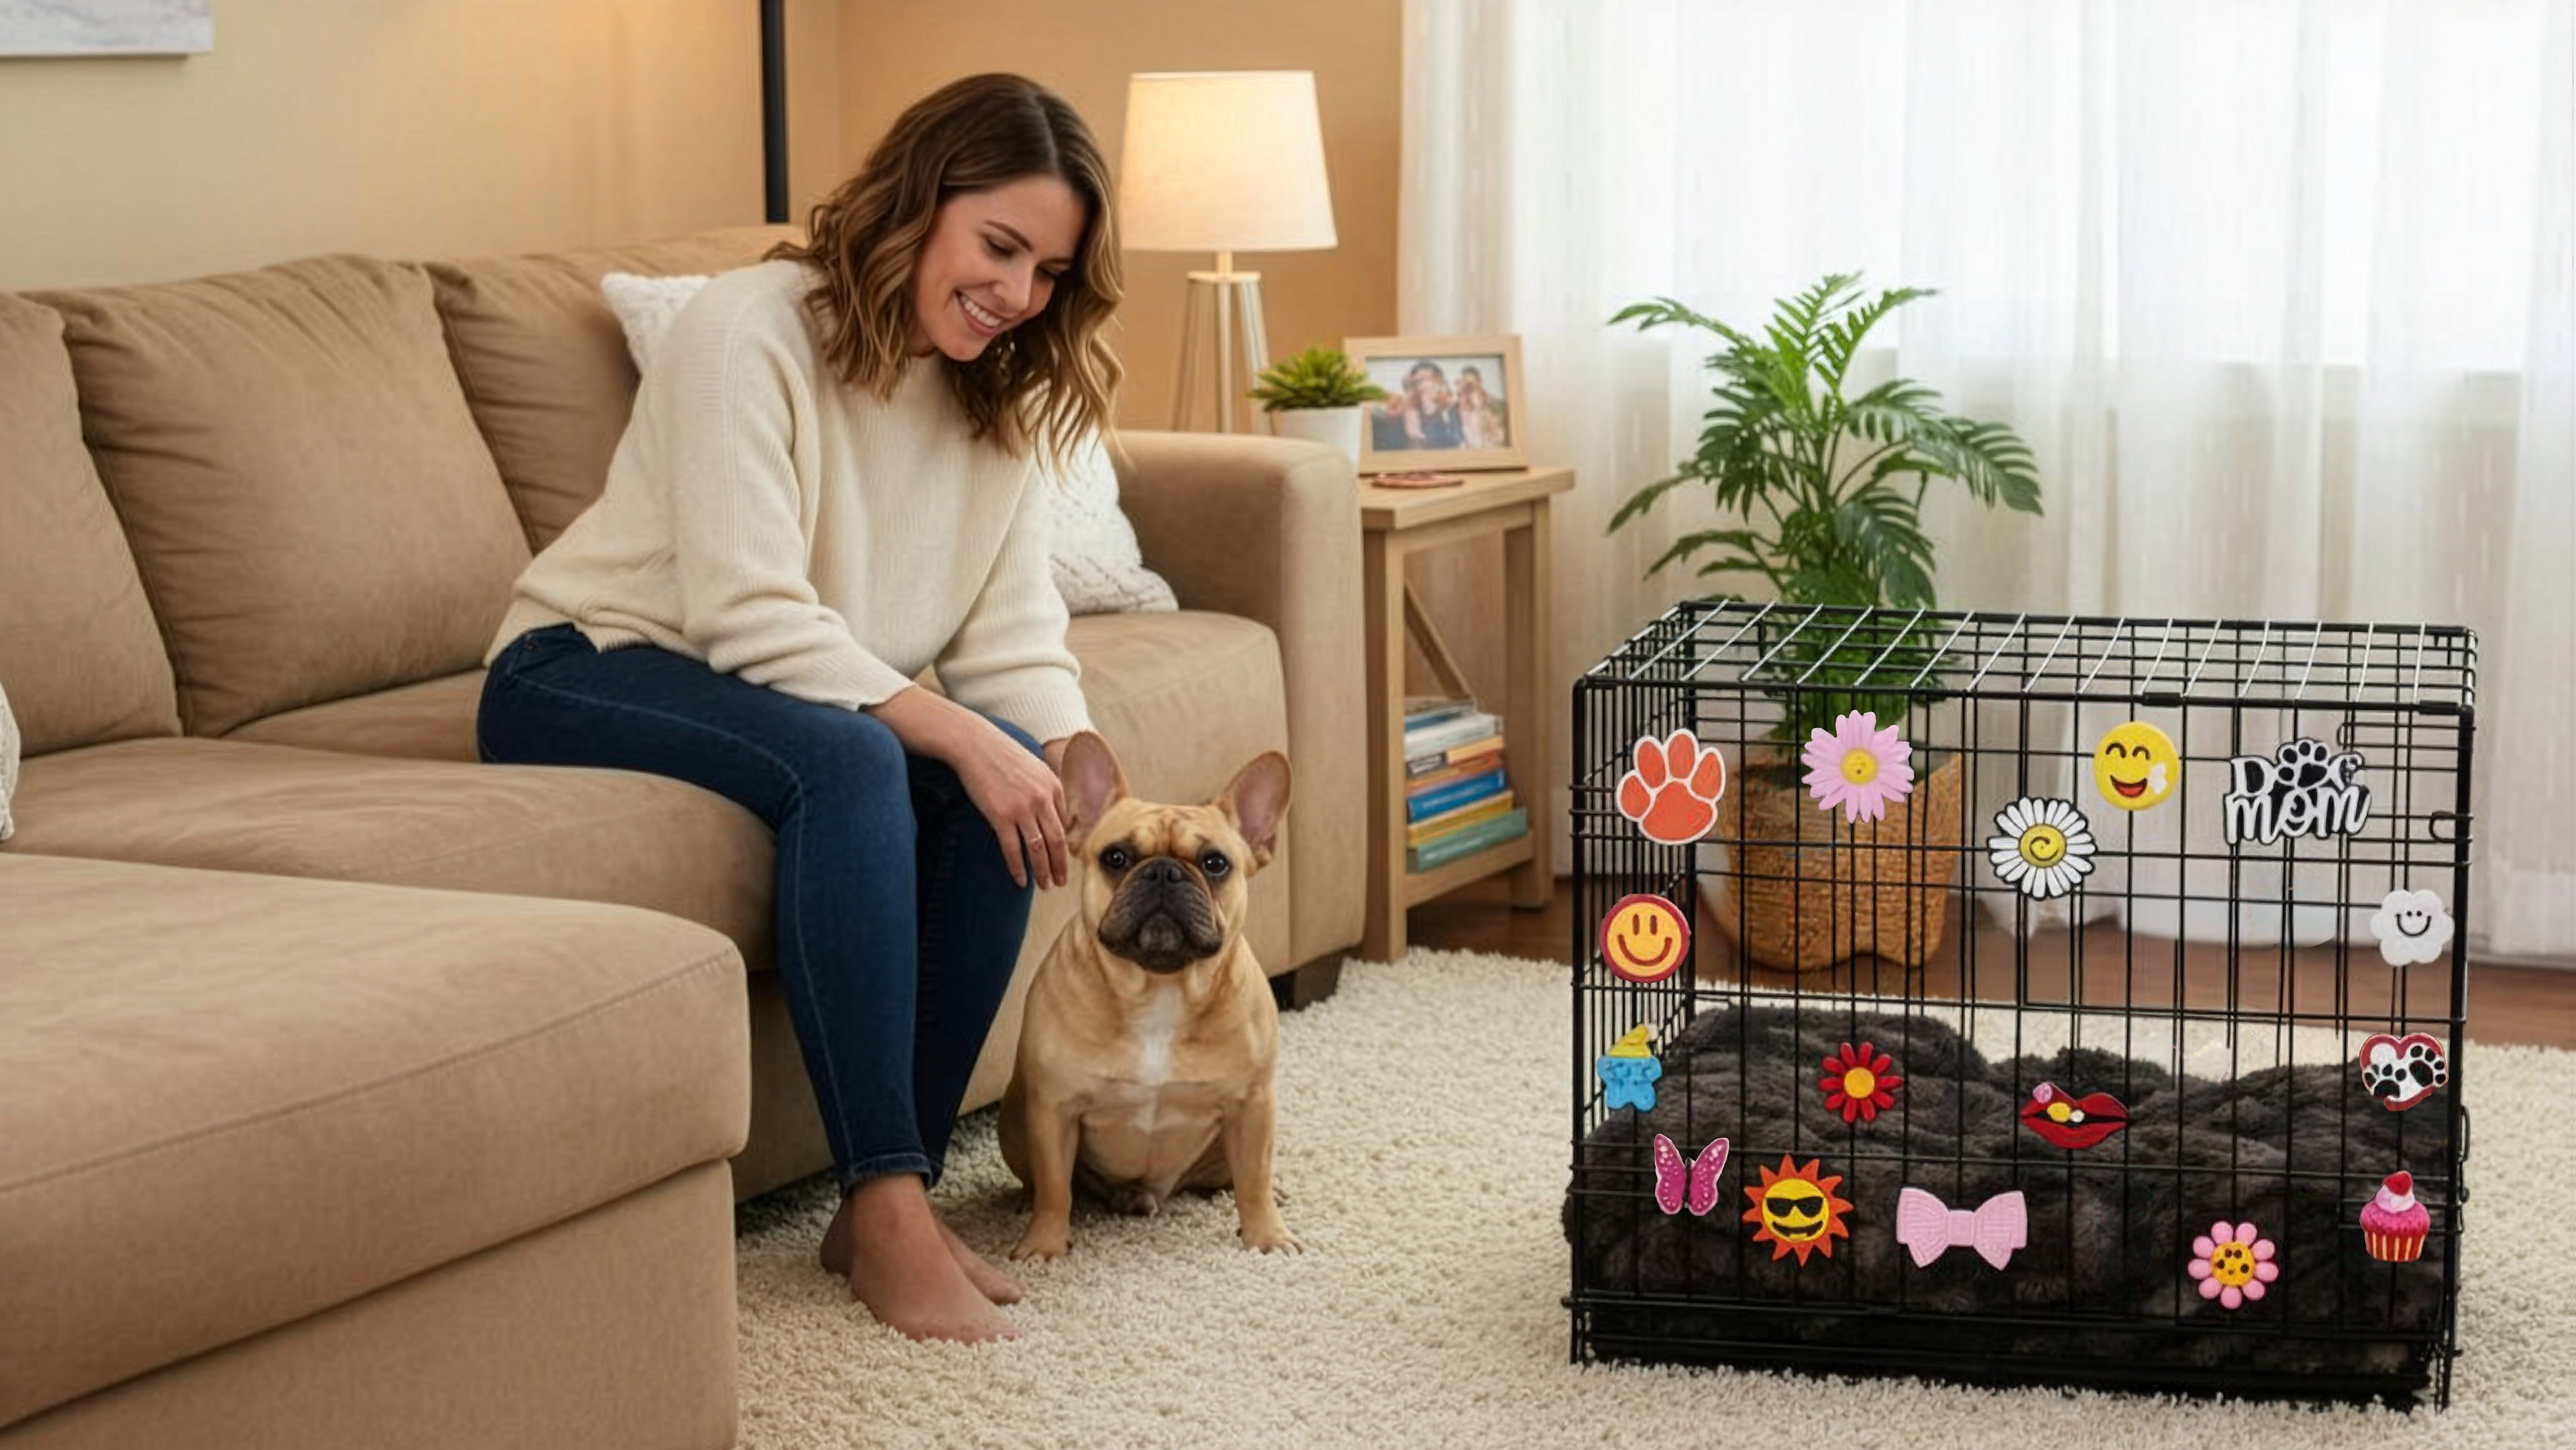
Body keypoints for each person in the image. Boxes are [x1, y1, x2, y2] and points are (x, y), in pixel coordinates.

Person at [474, 73, 1122, 1345]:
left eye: (1047, 270)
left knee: (992, 791)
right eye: (999, 246)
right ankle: (882, 1205)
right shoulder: (749, 326)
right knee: (861, 762)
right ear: (920, 201)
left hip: (761, 685)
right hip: (582, 665)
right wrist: (953, 732)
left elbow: (1008, 633)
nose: (1017, 294)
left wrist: (1066, 750)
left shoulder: (997, 390)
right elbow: (743, 610)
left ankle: (898, 1194)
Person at [1454, 365, 1506, 449]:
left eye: (1472, 384)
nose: (1469, 389)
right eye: (1466, 383)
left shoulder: (1494, 403)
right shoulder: (1458, 406)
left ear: (1479, 382)